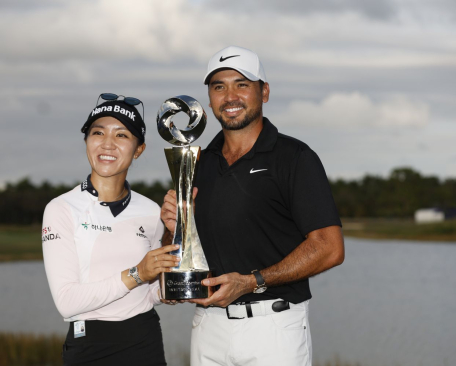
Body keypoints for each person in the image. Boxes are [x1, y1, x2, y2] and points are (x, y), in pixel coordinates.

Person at [161, 46, 345, 365]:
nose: (230, 96)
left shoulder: (295, 158)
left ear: (265, 91)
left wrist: (251, 281)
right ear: (209, 98)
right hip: (207, 326)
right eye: (219, 86)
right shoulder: (196, 165)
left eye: (241, 84)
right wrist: (173, 230)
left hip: (274, 326)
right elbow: (177, 256)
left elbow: (330, 248)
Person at [42, 93, 180, 366]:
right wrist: (137, 273)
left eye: (121, 135)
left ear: (138, 149)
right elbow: (67, 301)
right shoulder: (61, 209)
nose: (107, 143)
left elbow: (149, 292)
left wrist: (172, 288)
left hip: (145, 340)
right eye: (98, 132)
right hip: (89, 347)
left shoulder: (152, 211)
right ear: (86, 141)